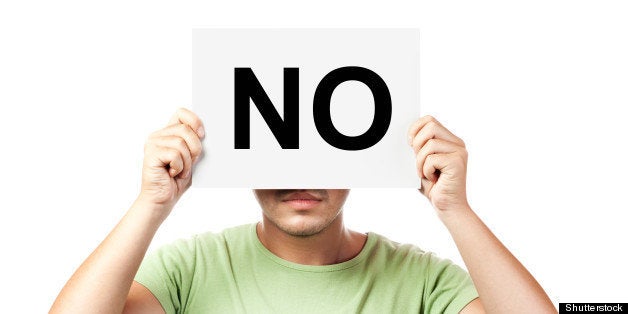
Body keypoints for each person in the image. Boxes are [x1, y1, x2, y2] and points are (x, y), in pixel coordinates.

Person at [51, 108, 556, 313]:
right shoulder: (191, 268)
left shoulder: (421, 281)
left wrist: (457, 210)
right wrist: (151, 203)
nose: (302, 179)